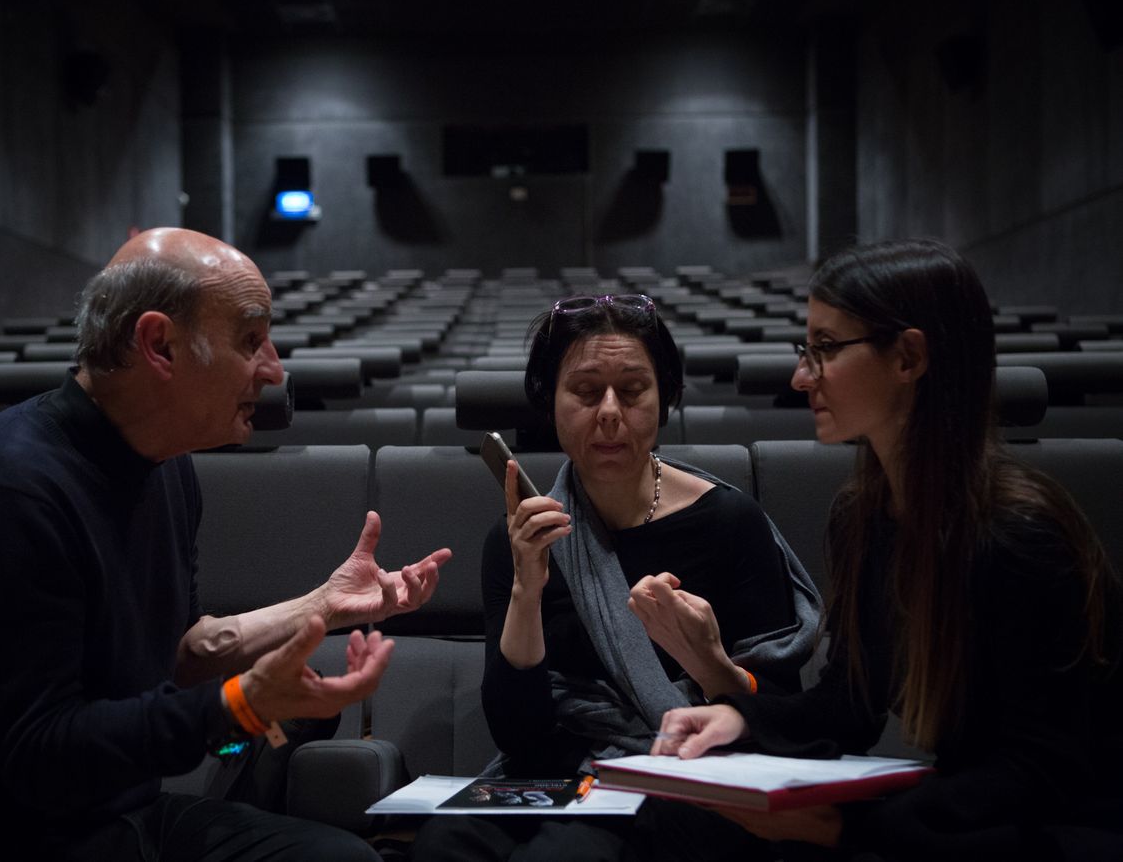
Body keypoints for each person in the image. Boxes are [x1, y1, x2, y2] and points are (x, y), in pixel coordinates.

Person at [0, 228, 453, 861]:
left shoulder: (165, 467)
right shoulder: (10, 490)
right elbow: (40, 757)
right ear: (159, 344)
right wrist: (239, 709)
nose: (274, 369)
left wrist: (323, 606)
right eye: (251, 340)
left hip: (111, 817)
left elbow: (177, 654)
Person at [652, 239, 1123, 861]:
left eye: (824, 349)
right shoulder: (864, 515)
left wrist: (848, 829)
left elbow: (1040, 772)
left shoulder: (1020, 533)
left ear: (908, 357)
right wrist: (739, 719)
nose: (801, 376)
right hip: (967, 818)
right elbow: (851, 702)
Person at [410, 293, 822, 861]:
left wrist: (706, 660)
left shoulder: (730, 523)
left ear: (665, 398)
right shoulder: (520, 539)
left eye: (632, 391)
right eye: (583, 391)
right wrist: (526, 590)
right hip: (557, 776)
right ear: (549, 401)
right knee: (444, 844)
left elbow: (779, 713)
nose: (608, 412)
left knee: (567, 854)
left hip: (685, 774)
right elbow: (521, 739)